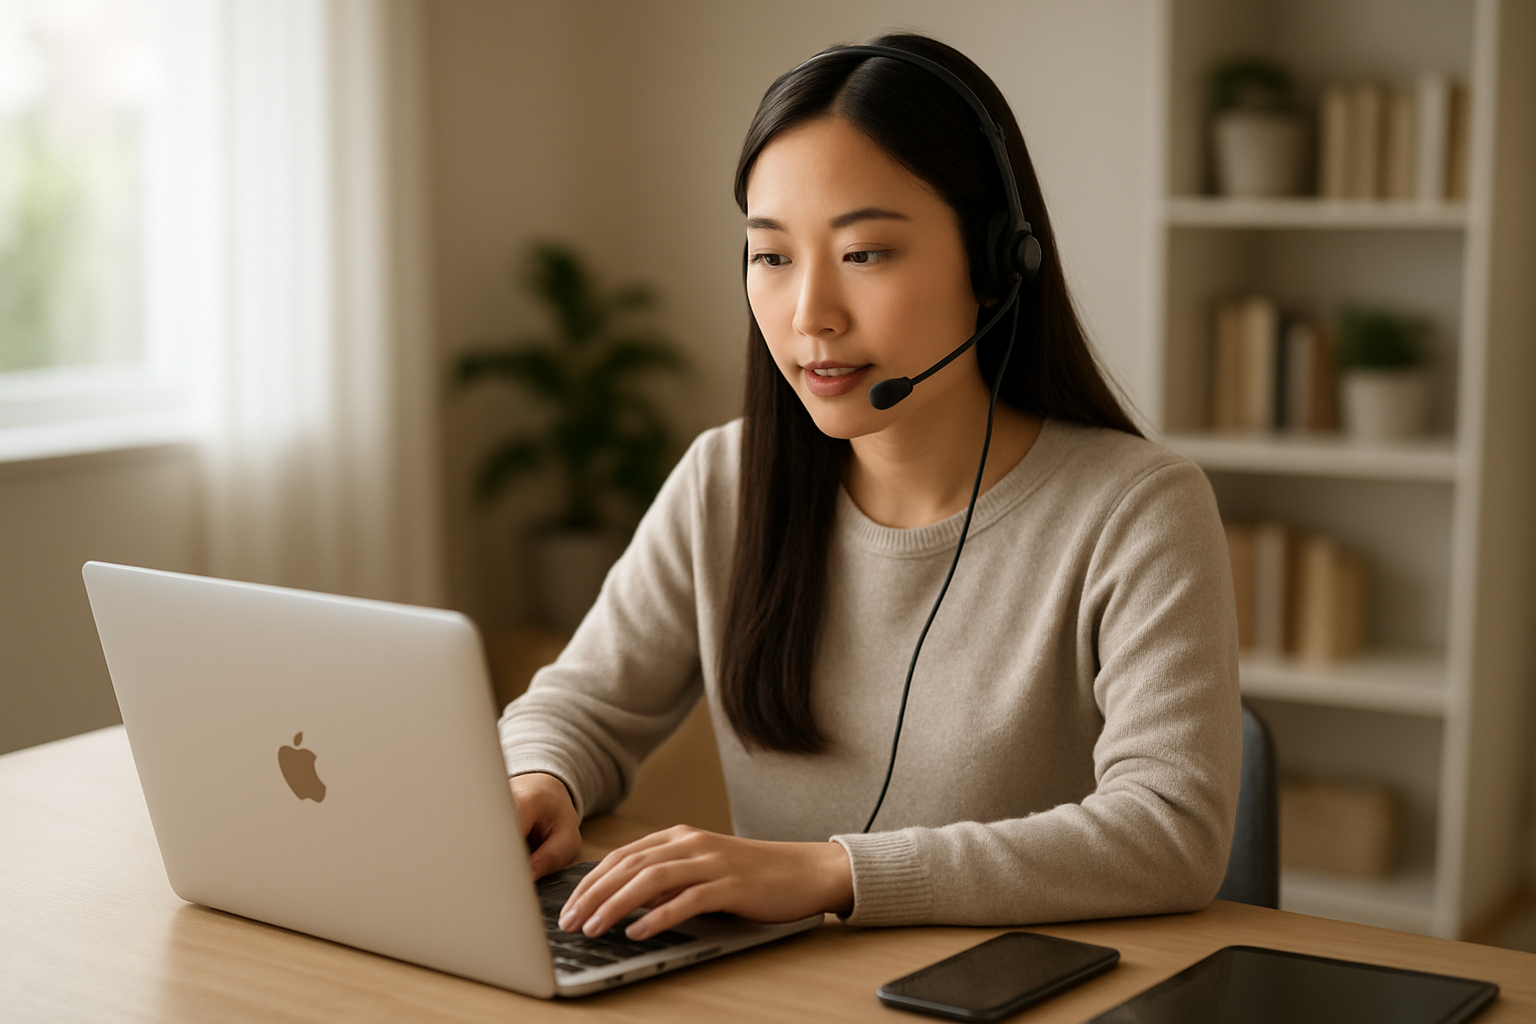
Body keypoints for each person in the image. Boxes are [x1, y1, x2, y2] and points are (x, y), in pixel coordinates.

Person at [499, 32, 1241, 943]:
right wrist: (540, 779)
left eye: (864, 254)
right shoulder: (724, 481)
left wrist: (831, 871)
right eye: (771, 257)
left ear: (994, 265)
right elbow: (580, 704)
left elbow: (1170, 830)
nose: (810, 314)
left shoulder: (1138, 509)